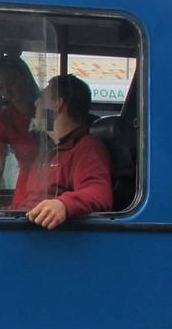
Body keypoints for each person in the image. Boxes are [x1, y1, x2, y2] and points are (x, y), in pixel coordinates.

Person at [18, 74, 113, 229]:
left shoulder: (87, 148)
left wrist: (63, 204)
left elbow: (99, 192)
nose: (36, 103)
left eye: (41, 98)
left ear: (56, 104)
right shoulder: (48, 152)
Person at [0, 57, 42, 210]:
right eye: (1, 87)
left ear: (25, 78)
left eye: (11, 83)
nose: (6, 92)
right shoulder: (3, 121)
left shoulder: (48, 108)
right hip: (26, 186)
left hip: (54, 182)